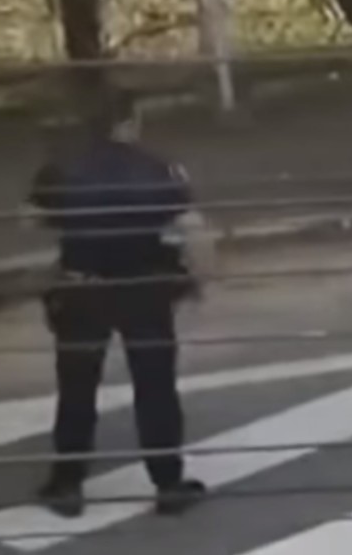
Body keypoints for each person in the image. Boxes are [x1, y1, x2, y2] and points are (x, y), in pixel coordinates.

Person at [24, 89, 213, 518]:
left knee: (77, 386)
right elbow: (195, 229)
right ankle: (168, 483)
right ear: (128, 124)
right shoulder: (158, 169)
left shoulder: (61, 169)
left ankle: (67, 486)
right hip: (145, 290)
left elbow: (29, 218)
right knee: (156, 387)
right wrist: (199, 279)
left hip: (81, 289)